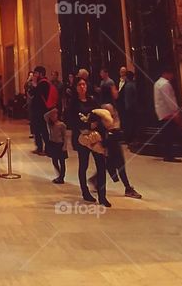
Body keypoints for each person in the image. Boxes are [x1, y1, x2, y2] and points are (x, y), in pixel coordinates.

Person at [93, 103, 142, 199]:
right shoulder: (106, 110)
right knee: (118, 166)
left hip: (113, 143)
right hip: (111, 144)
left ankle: (95, 180)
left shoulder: (108, 108)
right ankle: (127, 188)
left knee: (112, 165)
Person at [68, 74, 100, 203]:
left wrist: (95, 123)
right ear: (75, 87)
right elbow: (72, 121)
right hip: (81, 137)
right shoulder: (73, 104)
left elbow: (98, 113)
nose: (82, 87)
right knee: (84, 164)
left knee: (100, 160)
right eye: (80, 85)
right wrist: (86, 124)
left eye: (84, 84)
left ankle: (100, 188)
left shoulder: (92, 100)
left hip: (94, 135)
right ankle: (84, 190)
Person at [153, 67, 182, 162]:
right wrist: (176, 111)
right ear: (167, 73)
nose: (172, 76)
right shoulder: (165, 84)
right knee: (170, 135)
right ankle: (169, 155)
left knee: (166, 135)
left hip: (161, 113)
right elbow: (170, 100)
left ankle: (167, 154)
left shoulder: (157, 83)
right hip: (168, 113)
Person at [31, 65, 55, 155]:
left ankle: (47, 148)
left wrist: (34, 84)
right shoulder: (41, 83)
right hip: (38, 110)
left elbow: (36, 93)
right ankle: (39, 147)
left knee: (43, 129)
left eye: (36, 73)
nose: (34, 75)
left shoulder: (43, 83)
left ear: (40, 74)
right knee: (37, 129)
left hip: (41, 110)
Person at [44, 104, 68, 184]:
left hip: (60, 144)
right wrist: (53, 110)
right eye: (52, 115)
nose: (53, 116)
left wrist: (65, 146)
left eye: (55, 115)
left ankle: (62, 177)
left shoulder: (62, 125)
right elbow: (45, 116)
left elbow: (65, 136)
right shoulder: (50, 124)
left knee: (62, 162)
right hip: (53, 144)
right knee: (54, 161)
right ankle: (59, 174)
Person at [119, 68, 137, 144]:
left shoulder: (128, 85)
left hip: (128, 107)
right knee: (131, 124)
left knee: (129, 124)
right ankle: (131, 139)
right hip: (131, 108)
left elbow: (128, 98)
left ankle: (129, 139)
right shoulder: (132, 85)